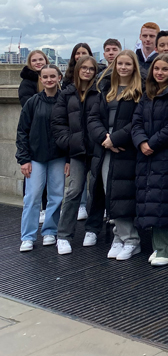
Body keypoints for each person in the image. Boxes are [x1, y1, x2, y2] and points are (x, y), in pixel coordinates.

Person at [132, 54, 168, 266]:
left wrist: (151, 144)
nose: (159, 73)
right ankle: (159, 246)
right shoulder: (148, 94)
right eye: (157, 69)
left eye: (164, 69)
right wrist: (140, 141)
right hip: (146, 155)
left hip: (167, 155)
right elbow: (136, 121)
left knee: (164, 202)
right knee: (152, 200)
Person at [88, 50, 142, 261]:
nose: (123, 67)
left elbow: (138, 121)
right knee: (110, 193)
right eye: (120, 63)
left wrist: (116, 139)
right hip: (105, 148)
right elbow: (93, 118)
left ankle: (130, 239)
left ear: (134, 66)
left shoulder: (139, 91)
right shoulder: (106, 89)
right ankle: (119, 237)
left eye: (128, 64)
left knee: (123, 195)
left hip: (126, 150)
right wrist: (104, 138)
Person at [51, 55, 101, 254]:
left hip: (97, 148)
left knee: (97, 189)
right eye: (84, 68)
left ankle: (93, 228)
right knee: (73, 191)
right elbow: (57, 123)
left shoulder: (100, 92)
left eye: (91, 69)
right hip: (78, 151)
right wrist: (70, 143)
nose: (87, 71)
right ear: (78, 69)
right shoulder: (67, 93)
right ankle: (63, 235)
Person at [16, 65, 66, 251]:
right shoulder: (33, 102)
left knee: (56, 196)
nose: (49, 79)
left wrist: (68, 159)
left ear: (59, 77)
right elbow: (22, 131)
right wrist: (23, 159)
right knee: (33, 196)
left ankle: (50, 232)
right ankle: (28, 236)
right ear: (41, 79)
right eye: (45, 77)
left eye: (53, 76)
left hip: (58, 156)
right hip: (35, 157)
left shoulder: (65, 101)